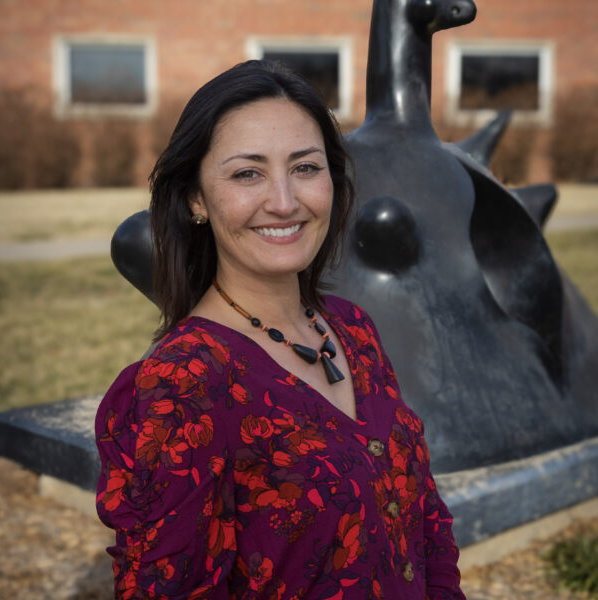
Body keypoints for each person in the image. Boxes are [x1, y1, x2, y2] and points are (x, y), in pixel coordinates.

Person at [95, 60, 465, 600]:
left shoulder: (354, 330)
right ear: (197, 198)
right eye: (248, 173)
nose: (286, 202)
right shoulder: (183, 388)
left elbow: (426, 523)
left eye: (306, 168)